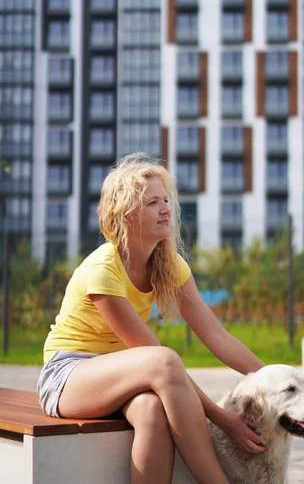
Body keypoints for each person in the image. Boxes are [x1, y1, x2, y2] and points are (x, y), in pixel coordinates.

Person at [38, 152, 266, 484]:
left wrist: (279, 382)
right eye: (151, 203)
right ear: (125, 213)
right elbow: (155, 360)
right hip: (68, 375)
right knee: (163, 360)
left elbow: (218, 337)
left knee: (151, 409)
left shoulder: (168, 264)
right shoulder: (103, 269)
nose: (166, 209)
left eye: (165, 200)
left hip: (119, 373)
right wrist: (222, 419)